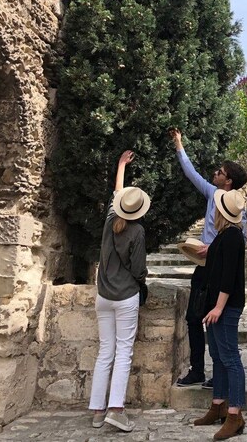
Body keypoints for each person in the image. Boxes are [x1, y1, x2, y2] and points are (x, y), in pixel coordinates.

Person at [169, 128, 247, 389]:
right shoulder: (211, 194)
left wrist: (212, 248)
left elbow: (238, 242)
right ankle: (197, 370)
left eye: (219, 172)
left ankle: (222, 376)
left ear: (229, 181)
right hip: (203, 269)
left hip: (220, 271)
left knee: (218, 323)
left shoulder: (237, 209)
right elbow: (191, 173)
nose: (214, 174)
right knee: (193, 317)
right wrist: (179, 145)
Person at [88, 150, 150, 432]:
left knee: (105, 352)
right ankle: (116, 409)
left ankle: (97, 411)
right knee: (123, 352)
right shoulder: (136, 232)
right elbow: (138, 268)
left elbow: (117, 193)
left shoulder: (108, 222)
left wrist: (121, 166)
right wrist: (143, 281)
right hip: (125, 296)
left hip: (103, 296)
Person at [193, 188, 247, 439]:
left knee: (230, 358)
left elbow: (228, 277)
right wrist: (206, 250)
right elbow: (217, 262)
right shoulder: (223, 236)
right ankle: (218, 405)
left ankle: (235, 415)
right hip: (216, 304)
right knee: (217, 355)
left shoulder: (234, 236)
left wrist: (218, 307)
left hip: (225, 305)